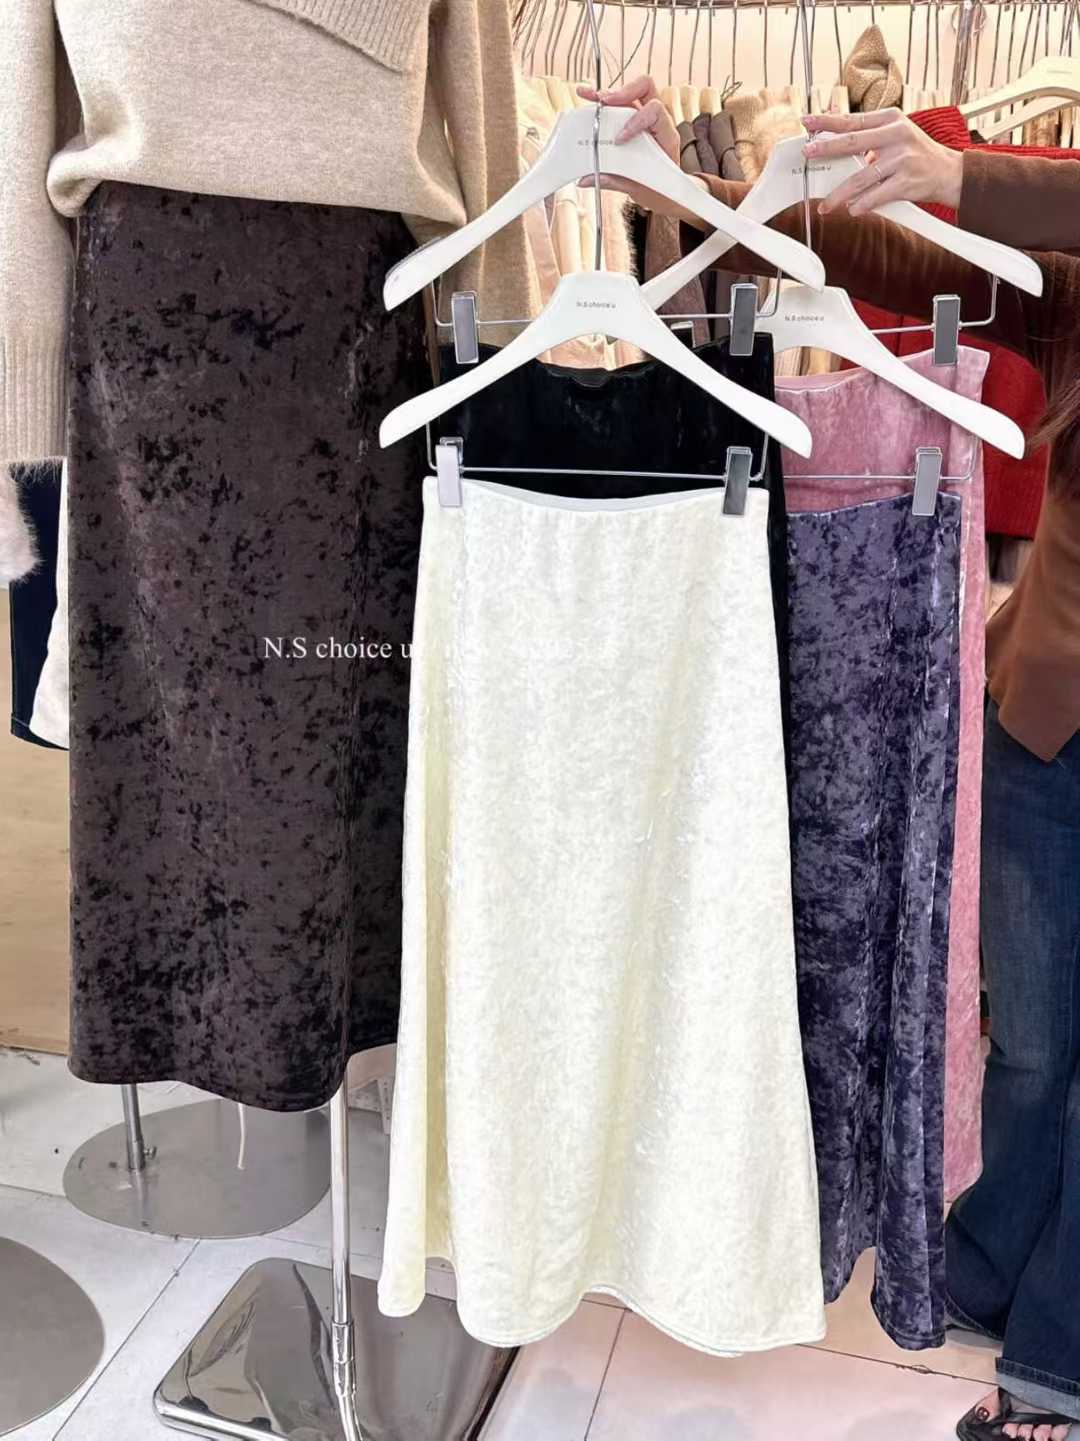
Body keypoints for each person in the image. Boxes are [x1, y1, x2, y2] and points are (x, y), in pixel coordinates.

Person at [579, 76, 1080, 1441]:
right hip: (1048, 712)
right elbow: (902, 266)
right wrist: (689, 196)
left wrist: (974, 177)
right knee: (1032, 1042)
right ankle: (992, 1258)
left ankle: (1059, 1358)